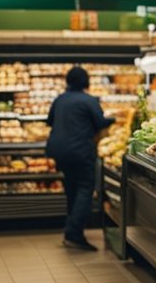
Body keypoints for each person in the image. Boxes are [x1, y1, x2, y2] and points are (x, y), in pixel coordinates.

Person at [46, 66, 114, 251]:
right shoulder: (88, 100)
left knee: (71, 188)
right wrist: (112, 119)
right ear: (86, 82)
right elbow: (100, 122)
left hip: (60, 151)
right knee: (85, 189)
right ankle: (74, 233)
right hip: (80, 151)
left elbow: (49, 121)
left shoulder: (60, 99)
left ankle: (73, 229)